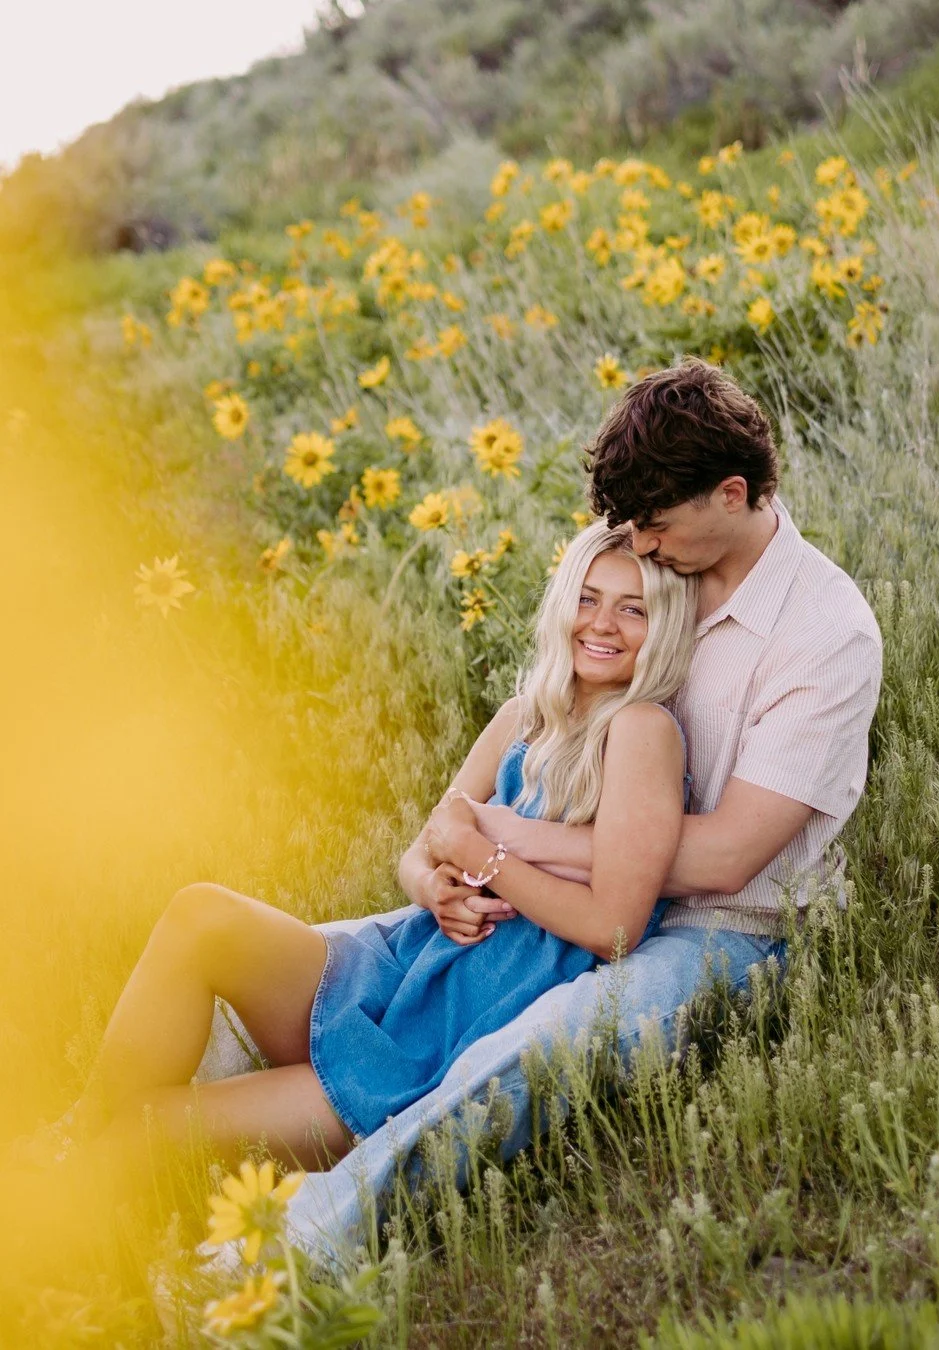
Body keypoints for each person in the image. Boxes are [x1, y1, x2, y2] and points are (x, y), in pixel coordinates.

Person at [237, 356, 883, 1264]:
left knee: (543, 1040)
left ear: (731, 494)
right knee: (358, 949)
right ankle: (162, 1119)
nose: (642, 549)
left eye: (656, 527)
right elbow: (544, 730)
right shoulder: (652, 571)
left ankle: (308, 1240)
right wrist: (450, 862)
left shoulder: (826, 633)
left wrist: (500, 838)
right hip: (558, 893)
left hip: (723, 931)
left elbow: (731, 854)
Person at [20, 520, 697, 1180]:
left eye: (632, 610)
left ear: (661, 627)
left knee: (149, 1123)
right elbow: (426, 845)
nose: (603, 623)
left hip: (437, 1036)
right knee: (201, 916)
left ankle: (63, 1191)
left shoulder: (641, 729)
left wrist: (487, 859)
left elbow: (615, 926)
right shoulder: (524, 718)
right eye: (588, 597)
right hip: (397, 968)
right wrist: (430, 886)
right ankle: (69, 1140)